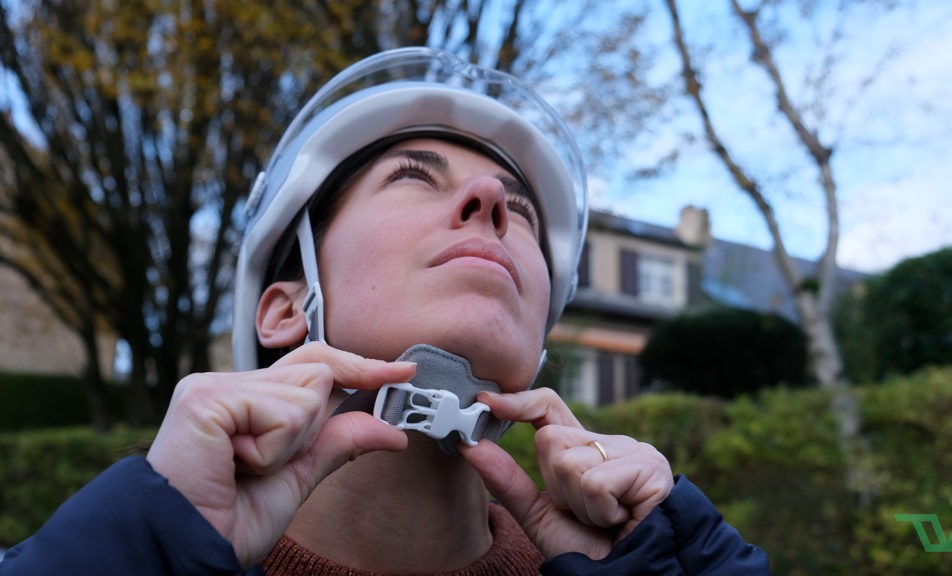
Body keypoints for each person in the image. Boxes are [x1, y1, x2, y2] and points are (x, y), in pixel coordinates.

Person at [0, 48, 770, 576]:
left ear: (538, 342)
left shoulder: (650, 557)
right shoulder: (140, 555)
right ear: (282, 311)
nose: (495, 201)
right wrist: (158, 545)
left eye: (524, 213)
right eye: (413, 176)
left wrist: (667, 558)